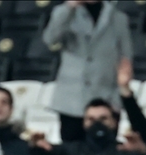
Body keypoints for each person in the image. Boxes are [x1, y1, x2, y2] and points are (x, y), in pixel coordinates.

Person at [42, 0, 133, 144]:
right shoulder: (65, 13)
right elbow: (50, 39)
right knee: (71, 153)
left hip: (106, 99)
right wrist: (69, 7)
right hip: (71, 100)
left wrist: (116, 100)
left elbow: (125, 59)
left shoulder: (118, 18)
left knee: (105, 151)